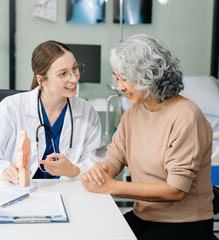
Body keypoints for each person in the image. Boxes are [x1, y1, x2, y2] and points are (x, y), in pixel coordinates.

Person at [81, 34, 214, 239]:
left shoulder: (186, 116)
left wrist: (113, 186)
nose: (120, 87)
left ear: (149, 75)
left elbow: (176, 190)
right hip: (144, 217)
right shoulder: (133, 113)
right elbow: (115, 157)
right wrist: (102, 172)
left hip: (186, 224)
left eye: (126, 78)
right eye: (117, 78)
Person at [0, 40, 103, 183]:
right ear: (41, 80)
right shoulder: (12, 107)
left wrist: (74, 171)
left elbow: (97, 165)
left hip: (69, 193)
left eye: (75, 68)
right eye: (63, 74)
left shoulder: (87, 112)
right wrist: (3, 171)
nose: (73, 78)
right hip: (21, 192)